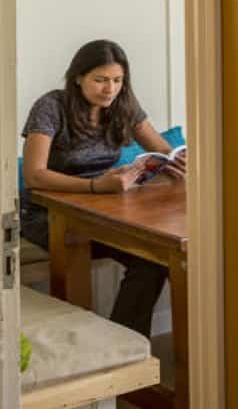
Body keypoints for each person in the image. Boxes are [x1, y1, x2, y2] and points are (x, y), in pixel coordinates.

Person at [19, 39, 186, 336]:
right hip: (47, 211)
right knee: (81, 246)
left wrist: (178, 163)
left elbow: (162, 149)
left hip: (105, 205)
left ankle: (125, 347)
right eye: (100, 80)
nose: (110, 89)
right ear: (78, 77)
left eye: (117, 80)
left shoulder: (123, 104)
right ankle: (100, 349)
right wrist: (97, 185)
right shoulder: (50, 106)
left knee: (152, 261)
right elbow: (34, 175)